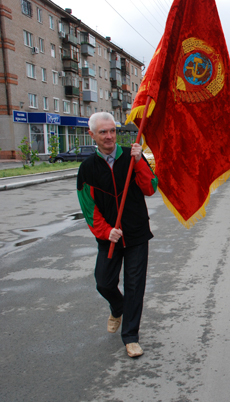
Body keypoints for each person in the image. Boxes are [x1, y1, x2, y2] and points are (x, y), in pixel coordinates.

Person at [76, 112, 158, 358]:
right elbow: (88, 209)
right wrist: (105, 231)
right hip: (109, 237)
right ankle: (117, 306)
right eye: (103, 132)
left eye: (112, 130)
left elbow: (150, 188)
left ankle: (131, 337)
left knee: (135, 285)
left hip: (136, 234)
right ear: (92, 135)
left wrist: (140, 162)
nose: (109, 136)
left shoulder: (131, 155)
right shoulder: (87, 169)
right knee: (104, 282)